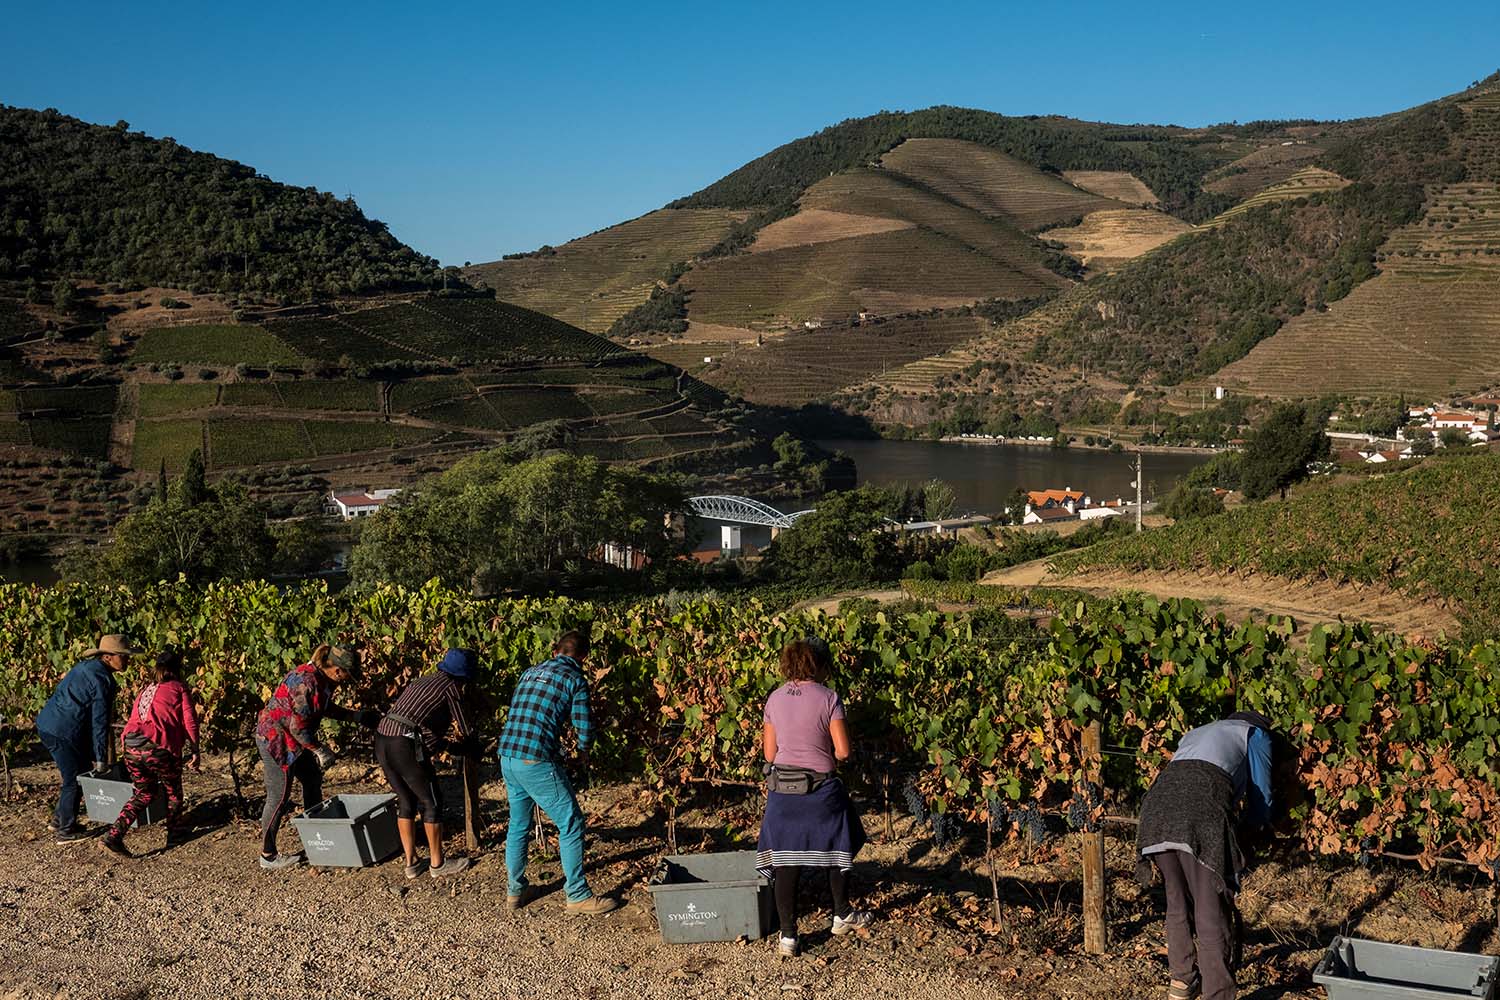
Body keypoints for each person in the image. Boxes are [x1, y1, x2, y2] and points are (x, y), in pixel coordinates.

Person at [1135, 710, 1282, 1000]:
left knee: (1177, 902)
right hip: (1200, 814)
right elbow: (1261, 797)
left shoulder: (1199, 731)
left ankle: (1182, 982)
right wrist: (1256, 831)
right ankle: (1218, 994)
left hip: (1156, 810)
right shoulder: (1255, 734)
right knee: (1209, 908)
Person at [756, 637, 871, 958]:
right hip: (822, 791)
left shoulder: (774, 699)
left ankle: (789, 936)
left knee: (785, 861)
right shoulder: (830, 697)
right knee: (839, 847)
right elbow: (844, 752)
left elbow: (769, 753)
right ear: (819, 666)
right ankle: (842, 915)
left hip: (783, 794)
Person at [497, 629, 618, 915]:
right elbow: (583, 725)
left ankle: (515, 891)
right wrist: (584, 751)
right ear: (584, 657)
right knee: (571, 822)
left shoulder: (528, 673)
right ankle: (577, 895)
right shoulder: (575, 679)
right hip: (535, 760)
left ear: (555, 651)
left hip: (507, 755)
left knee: (518, 824)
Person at [254, 644, 378, 870]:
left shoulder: (320, 680)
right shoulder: (307, 682)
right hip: (276, 740)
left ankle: (316, 838)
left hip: (293, 740)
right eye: (346, 676)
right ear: (337, 670)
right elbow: (298, 728)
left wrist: (355, 716)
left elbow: (323, 707)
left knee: (312, 780)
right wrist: (320, 750)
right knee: (279, 796)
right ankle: (268, 855)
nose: (345, 681)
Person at [376, 648, 478, 879]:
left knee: (406, 800)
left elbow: (421, 724)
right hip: (403, 744)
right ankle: (437, 864)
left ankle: (411, 863)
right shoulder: (451, 688)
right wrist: (474, 746)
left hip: (382, 737)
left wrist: (447, 746)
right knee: (431, 802)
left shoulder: (423, 681)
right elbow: (465, 728)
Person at [99, 648, 201, 858]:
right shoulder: (179, 688)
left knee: (143, 792)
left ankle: (113, 836)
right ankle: (174, 834)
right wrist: (195, 749)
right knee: (173, 791)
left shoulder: (146, 689)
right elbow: (189, 720)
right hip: (158, 747)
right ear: (178, 668)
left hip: (131, 747)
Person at [35, 634, 136, 843]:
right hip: (63, 732)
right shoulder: (103, 680)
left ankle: (59, 819)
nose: (127, 660)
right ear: (108, 657)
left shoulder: (85, 667)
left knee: (78, 772)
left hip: (48, 724)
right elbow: (99, 721)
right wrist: (100, 759)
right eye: (123, 656)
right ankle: (66, 830)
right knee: (75, 778)